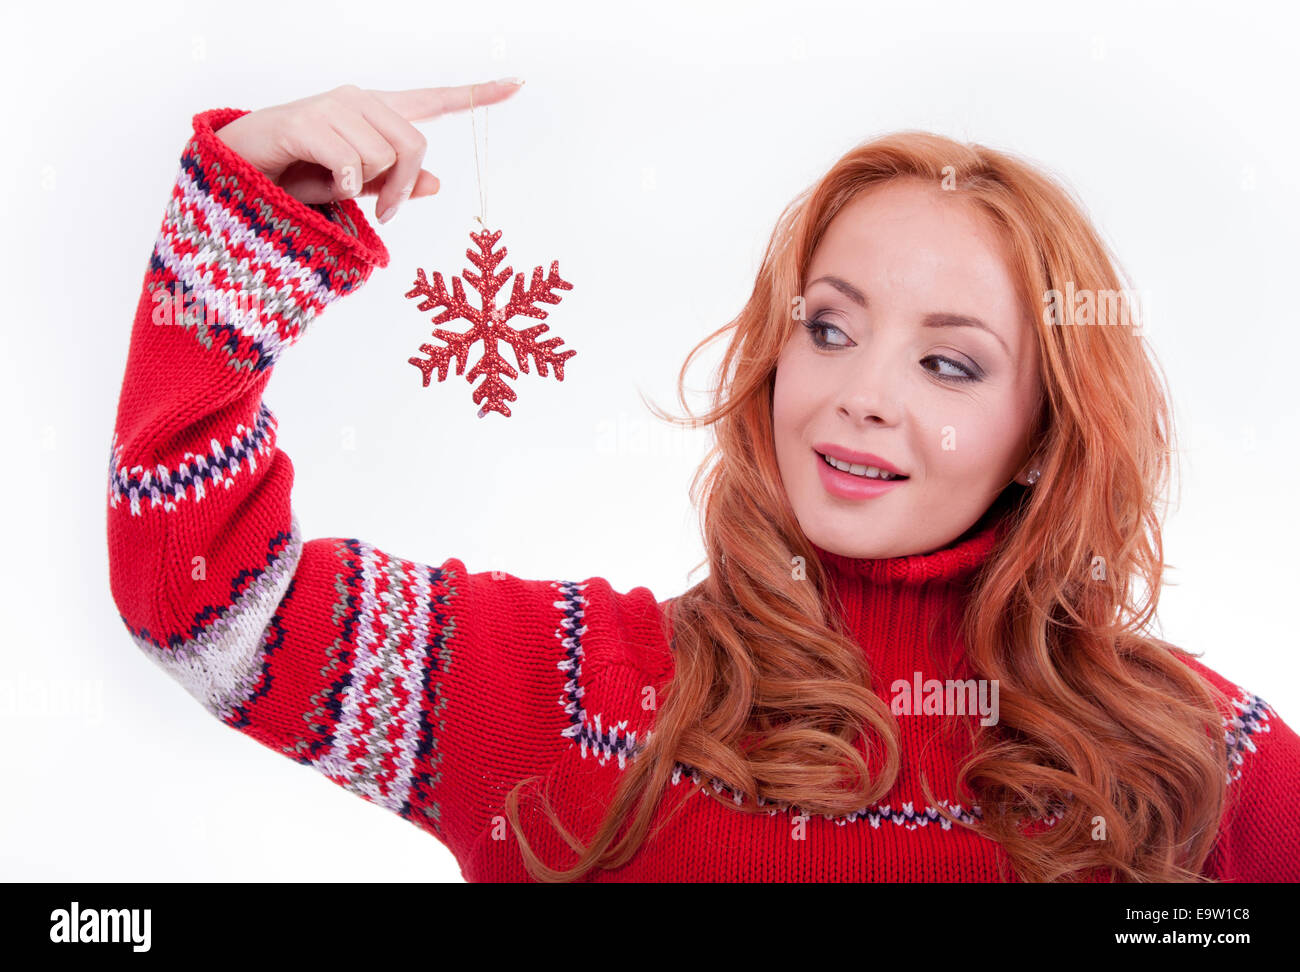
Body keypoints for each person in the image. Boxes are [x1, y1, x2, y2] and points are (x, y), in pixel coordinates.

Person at [106, 81, 1300, 882]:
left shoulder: (1184, 759)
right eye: (830, 330)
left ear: (1044, 431)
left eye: (947, 361)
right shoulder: (567, 698)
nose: (861, 392)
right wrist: (248, 233)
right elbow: (209, 606)